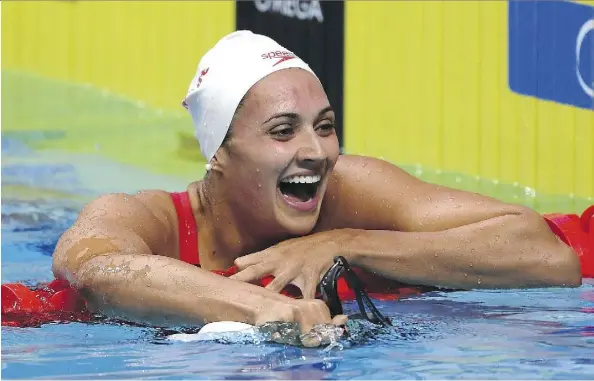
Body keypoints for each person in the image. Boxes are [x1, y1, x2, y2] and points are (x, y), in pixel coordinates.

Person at [51, 30, 582, 343]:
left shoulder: (350, 190)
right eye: (283, 131)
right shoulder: (152, 220)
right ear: (218, 153)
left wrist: (345, 242)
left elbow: (549, 257)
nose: (316, 151)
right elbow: (98, 269)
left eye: (325, 126)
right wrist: (260, 308)